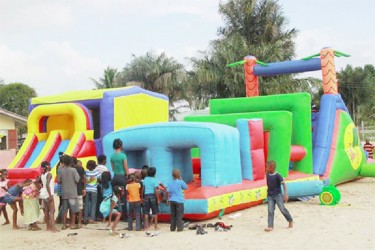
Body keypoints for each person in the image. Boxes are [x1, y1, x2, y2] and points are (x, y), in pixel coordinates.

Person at [264, 160, 293, 232]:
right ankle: (270, 226)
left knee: (282, 209)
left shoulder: (278, 176)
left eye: (267, 167)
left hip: (278, 195)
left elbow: (284, 185)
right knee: (270, 210)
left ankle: (290, 220)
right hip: (270, 196)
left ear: (272, 168)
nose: (266, 168)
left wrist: (285, 194)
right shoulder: (267, 174)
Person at [58, 155, 80, 230]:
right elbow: (77, 180)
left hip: (64, 193)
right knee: (73, 210)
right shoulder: (73, 170)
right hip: (72, 193)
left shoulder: (61, 170)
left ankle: (64, 224)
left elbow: (59, 181)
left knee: (65, 209)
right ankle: (72, 224)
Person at [110, 139, 129, 221]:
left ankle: (115, 215)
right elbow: (126, 168)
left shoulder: (112, 156)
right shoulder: (123, 156)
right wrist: (128, 175)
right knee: (123, 197)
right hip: (122, 177)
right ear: (121, 146)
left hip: (115, 177)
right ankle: (124, 217)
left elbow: (113, 168)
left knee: (115, 197)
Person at [38, 161, 59, 232]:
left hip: (43, 194)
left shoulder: (42, 175)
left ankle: (48, 226)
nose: (51, 166)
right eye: (50, 165)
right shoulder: (49, 174)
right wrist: (50, 195)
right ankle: (53, 228)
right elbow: (47, 184)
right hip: (48, 194)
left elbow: (37, 182)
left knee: (46, 211)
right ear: (47, 166)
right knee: (52, 211)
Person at [73, 159, 85, 227]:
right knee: (80, 207)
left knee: (73, 207)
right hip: (79, 189)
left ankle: (73, 222)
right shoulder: (81, 169)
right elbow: (84, 178)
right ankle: (79, 222)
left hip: (72, 190)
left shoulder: (71, 169)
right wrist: (84, 188)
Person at [96, 155, 108, 221]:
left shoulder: (96, 168)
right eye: (105, 160)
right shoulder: (105, 168)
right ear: (103, 161)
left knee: (97, 202)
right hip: (103, 187)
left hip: (96, 186)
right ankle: (101, 216)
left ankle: (97, 216)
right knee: (102, 202)